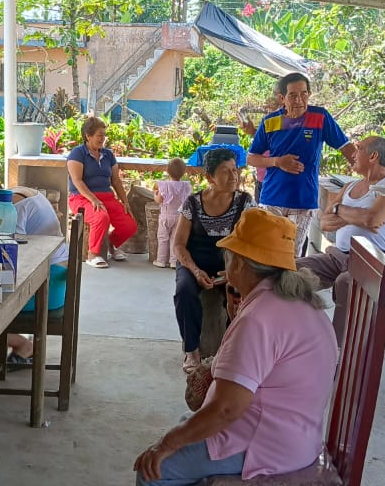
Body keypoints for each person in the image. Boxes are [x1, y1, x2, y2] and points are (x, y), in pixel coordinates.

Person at [135, 208, 337, 485]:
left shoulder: (259, 318)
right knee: (186, 424)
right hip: (296, 437)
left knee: (155, 470)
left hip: (264, 445)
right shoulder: (299, 302)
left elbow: (227, 410)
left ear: (239, 264)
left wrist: (168, 444)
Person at [297, 135, 385, 342]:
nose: (353, 155)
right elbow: (325, 222)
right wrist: (356, 217)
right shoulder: (349, 187)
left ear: (373, 156)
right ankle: (300, 335)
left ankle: (341, 347)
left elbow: (371, 219)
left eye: (359, 149)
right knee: (290, 271)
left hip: (374, 262)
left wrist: (340, 210)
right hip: (337, 257)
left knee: (345, 283)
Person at [247, 73, 357, 257]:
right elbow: (251, 158)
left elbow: (345, 147)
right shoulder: (270, 122)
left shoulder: (320, 117)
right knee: (266, 255)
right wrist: (277, 162)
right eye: (292, 95)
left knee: (291, 258)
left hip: (303, 200)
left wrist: (370, 175)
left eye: (304, 94)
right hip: (272, 199)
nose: (299, 100)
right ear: (282, 98)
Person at [171, 148, 255, 374]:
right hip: (194, 263)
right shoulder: (193, 203)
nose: (233, 176)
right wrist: (196, 271)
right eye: (225, 171)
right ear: (210, 177)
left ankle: (231, 351)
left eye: (235, 170)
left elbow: (250, 243)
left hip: (230, 265)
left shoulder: (245, 202)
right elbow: (179, 245)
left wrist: (233, 272)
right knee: (184, 292)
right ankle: (192, 350)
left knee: (242, 295)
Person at [0, 182, 70, 369]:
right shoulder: (19, 193)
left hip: (47, 288)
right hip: (56, 278)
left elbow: (14, 257)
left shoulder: (12, 211)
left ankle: (21, 345)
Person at [66, 116, 137, 268]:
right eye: (99, 135)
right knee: (101, 217)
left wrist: (125, 201)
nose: (103, 138)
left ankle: (111, 244)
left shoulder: (108, 154)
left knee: (129, 224)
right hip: (81, 197)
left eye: (104, 135)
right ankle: (92, 254)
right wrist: (93, 199)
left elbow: (116, 180)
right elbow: (77, 181)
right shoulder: (77, 153)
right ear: (88, 136)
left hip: (107, 197)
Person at [154, 158, 193, 269]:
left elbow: (159, 200)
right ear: (184, 172)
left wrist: (155, 194)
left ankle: (161, 260)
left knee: (162, 238)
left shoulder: (164, 185)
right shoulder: (185, 186)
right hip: (180, 217)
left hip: (165, 216)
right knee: (174, 239)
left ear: (167, 170)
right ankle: (174, 261)